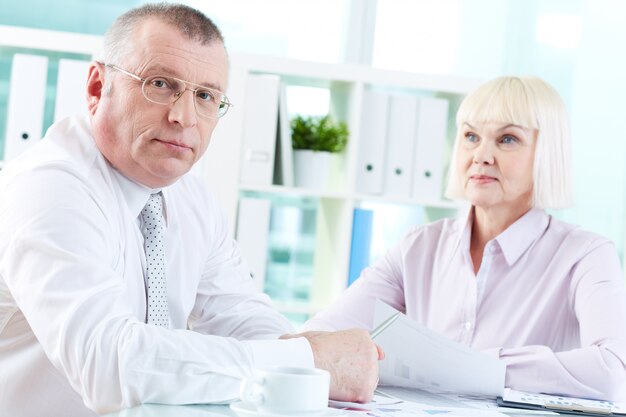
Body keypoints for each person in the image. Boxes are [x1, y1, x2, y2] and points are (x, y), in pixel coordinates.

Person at [0, 4, 381, 417]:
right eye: (160, 84)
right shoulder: (49, 187)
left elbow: (240, 315)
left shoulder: (188, 193)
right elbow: (110, 365)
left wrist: (304, 366)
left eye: (204, 96)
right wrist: (308, 358)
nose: (183, 117)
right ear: (97, 87)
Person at [305, 76, 626, 401]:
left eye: (508, 139)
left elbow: (614, 371)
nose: (481, 155)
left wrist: (475, 368)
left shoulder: (586, 255)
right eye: (471, 136)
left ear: (547, 154)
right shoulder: (419, 246)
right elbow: (318, 337)